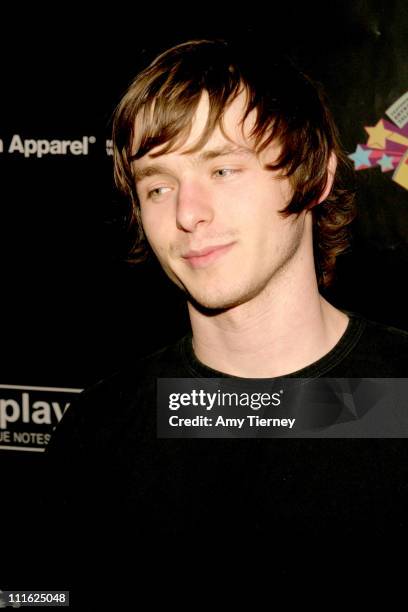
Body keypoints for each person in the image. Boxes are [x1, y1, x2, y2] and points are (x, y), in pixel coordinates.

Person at [44, 39, 408, 594]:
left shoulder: (399, 392)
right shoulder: (100, 428)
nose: (188, 214)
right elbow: (38, 596)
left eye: (223, 171)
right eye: (159, 186)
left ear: (315, 176)